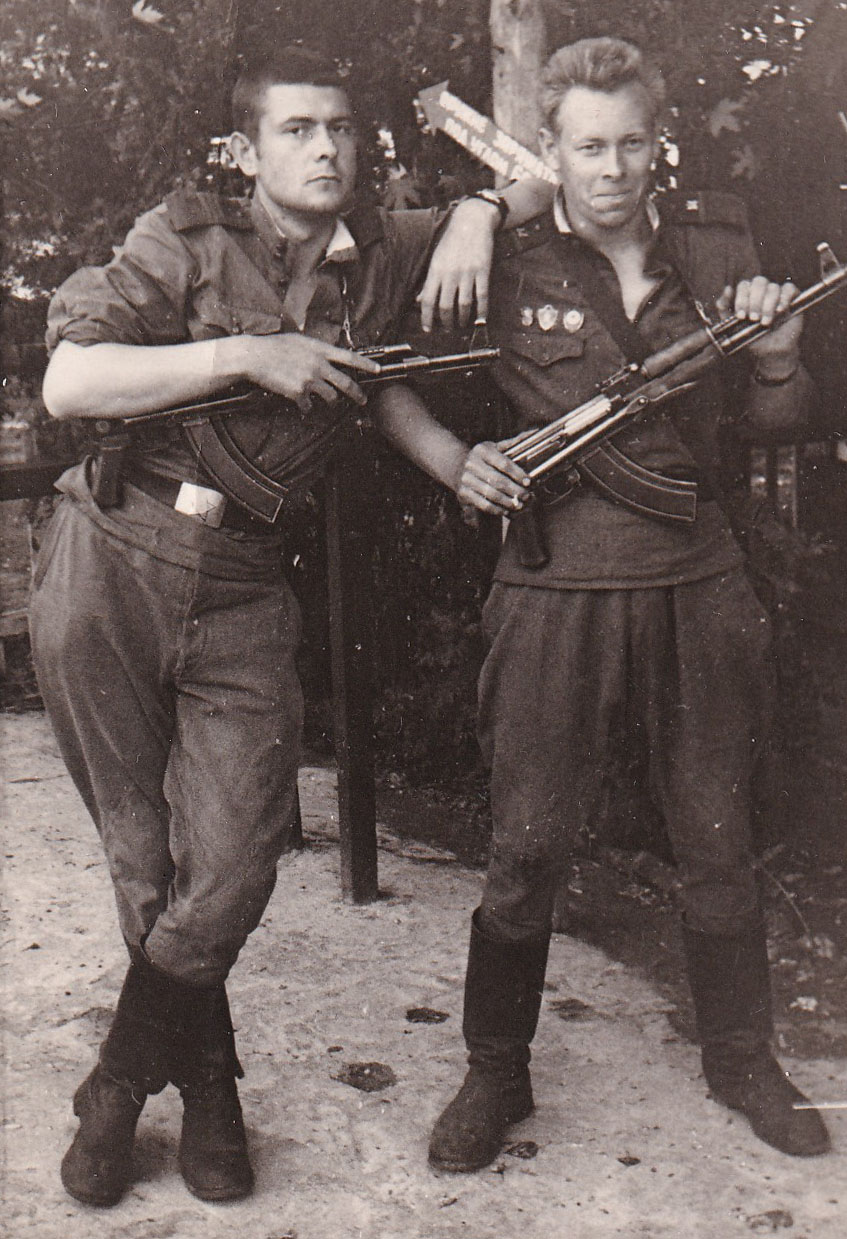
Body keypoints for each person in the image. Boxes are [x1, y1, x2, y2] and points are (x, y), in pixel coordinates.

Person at [31, 45, 548, 1206]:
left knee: (237, 859)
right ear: (248, 149)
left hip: (244, 582)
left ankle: (118, 1082)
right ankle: (210, 1092)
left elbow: (539, 188)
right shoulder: (185, 242)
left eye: (342, 129)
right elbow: (70, 383)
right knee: (144, 861)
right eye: (299, 130)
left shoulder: (385, 251)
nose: (327, 149)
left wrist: (475, 214)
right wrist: (247, 354)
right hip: (114, 556)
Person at [376, 36, 830, 1172]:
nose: (613, 168)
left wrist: (778, 357)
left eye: (631, 143)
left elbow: (780, 425)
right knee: (527, 840)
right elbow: (392, 388)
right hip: (555, 586)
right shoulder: (501, 256)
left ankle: (741, 1058)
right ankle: (494, 1069)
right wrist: (457, 465)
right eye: (589, 147)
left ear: (657, 143)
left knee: (717, 832)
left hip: (698, 581)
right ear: (555, 152)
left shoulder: (715, 249)